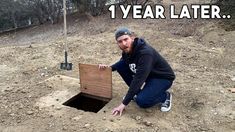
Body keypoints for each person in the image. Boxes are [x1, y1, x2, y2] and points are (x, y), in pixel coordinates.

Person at [99, 27, 175, 116]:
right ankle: (139, 94)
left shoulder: (145, 53)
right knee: (121, 66)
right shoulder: (127, 51)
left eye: (126, 39)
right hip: (149, 76)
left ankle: (165, 96)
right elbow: (121, 63)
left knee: (142, 101)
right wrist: (108, 69)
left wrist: (123, 104)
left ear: (132, 38)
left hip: (162, 78)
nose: (123, 43)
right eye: (120, 41)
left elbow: (138, 80)